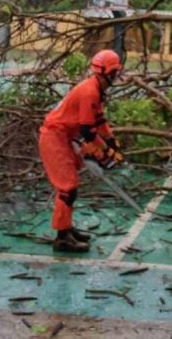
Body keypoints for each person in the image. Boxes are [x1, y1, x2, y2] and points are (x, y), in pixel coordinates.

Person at [39, 49, 124, 253]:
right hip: (54, 137)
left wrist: (112, 142)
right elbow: (87, 131)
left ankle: (66, 228)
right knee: (67, 188)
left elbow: (99, 120)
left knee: (72, 186)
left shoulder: (96, 89)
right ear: (109, 73)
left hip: (63, 137)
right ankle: (62, 237)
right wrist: (103, 152)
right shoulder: (89, 91)